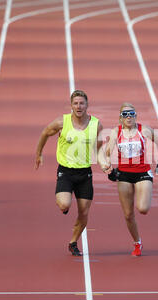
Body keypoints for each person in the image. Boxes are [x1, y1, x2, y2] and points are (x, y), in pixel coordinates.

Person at [34, 90, 106, 256]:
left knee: (84, 213)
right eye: (76, 103)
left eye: (82, 103)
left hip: (85, 174)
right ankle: (64, 203)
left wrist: (104, 164)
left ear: (87, 105)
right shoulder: (62, 122)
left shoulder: (96, 124)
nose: (79, 106)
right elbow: (45, 133)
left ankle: (73, 241)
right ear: (71, 105)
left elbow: (100, 148)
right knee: (64, 204)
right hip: (66, 172)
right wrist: (38, 153)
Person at [103, 102, 158, 256]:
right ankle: (137, 243)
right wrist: (108, 167)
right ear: (120, 118)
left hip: (142, 172)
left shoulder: (144, 130)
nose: (128, 116)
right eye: (125, 114)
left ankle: (145, 191)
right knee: (128, 215)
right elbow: (107, 152)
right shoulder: (116, 132)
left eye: (131, 113)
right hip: (123, 174)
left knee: (143, 209)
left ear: (136, 116)